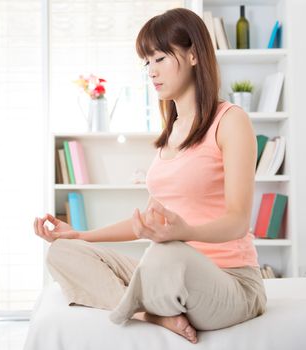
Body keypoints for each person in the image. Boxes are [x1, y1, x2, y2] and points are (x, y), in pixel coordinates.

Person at [33, 7, 267, 344]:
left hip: (230, 282)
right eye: (147, 62)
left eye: (159, 58)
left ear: (193, 55)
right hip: (169, 273)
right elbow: (146, 220)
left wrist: (184, 232)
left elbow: (238, 221)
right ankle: (150, 313)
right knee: (61, 253)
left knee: (164, 253)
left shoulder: (231, 121)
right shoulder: (170, 133)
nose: (151, 71)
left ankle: (143, 303)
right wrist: (81, 237)